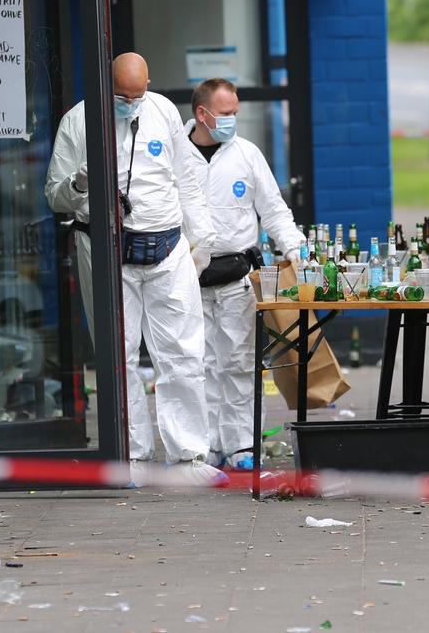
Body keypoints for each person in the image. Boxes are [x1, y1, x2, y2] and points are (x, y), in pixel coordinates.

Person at [45, 53, 226, 487]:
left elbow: (188, 179)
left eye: (137, 95)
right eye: (121, 96)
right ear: (105, 85)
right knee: (117, 355)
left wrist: (202, 245)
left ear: (149, 85)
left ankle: (188, 456)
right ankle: (133, 456)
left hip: (166, 248)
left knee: (182, 353)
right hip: (107, 251)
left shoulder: (162, 110)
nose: (130, 103)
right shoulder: (77, 122)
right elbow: (55, 197)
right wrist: (81, 182)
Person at [185, 78, 305, 471]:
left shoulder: (246, 154)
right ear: (202, 114)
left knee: (238, 362)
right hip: (187, 276)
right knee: (194, 364)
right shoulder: (173, 153)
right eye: (226, 114)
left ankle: (240, 446)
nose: (233, 120)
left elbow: (273, 208)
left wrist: (294, 248)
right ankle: (200, 447)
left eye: (236, 113)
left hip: (237, 275)